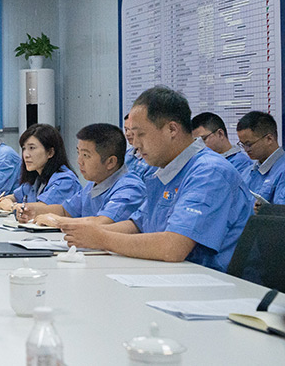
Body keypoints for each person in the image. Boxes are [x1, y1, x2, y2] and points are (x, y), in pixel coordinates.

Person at [61, 86, 252, 272]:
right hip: (175, 275)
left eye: (141, 134)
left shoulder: (209, 172)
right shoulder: (164, 171)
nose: (135, 144)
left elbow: (173, 247)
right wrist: (84, 232)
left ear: (171, 129)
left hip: (214, 281)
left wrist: (102, 238)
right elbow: (137, 225)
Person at [18, 123, 145, 226]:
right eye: (78, 153)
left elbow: (103, 222)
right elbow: (65, 210)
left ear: (110, 162)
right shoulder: (93, 184)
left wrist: (59, 221)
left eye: (86, 155)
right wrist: (32, 211)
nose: (79, 161)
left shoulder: (130, 188)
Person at [0, 123, 80, 212]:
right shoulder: (36, 178)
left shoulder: (65, 180)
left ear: (50, 152)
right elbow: (16, 196)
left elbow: (43, 208)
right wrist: (1, 199)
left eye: (32, 148)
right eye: (24, 148)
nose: (26, 155)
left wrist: (12, 206)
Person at [236, 110, 285, 205]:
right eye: (242, 144)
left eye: (249, 144)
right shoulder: (248, 172)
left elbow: (281, 211)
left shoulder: (282, 171)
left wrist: (263, 210)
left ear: (269, 139)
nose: (246, 149)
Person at [124, 112, 157, 179]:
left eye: (131, 129)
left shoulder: (154, 160)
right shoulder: (126, 155)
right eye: (126, 129)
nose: (127, 133)